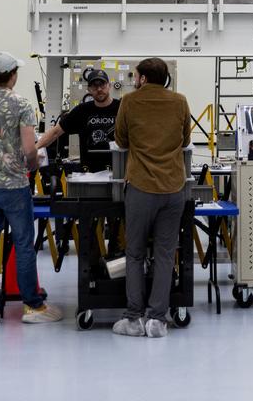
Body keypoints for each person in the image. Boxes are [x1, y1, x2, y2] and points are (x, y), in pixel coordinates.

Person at [0, 52, 62, 326]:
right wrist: (31, 165)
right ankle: (32, 305)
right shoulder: (21, 104)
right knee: (22, 244)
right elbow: (30, 149)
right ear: (12, 75)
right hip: (14, 186)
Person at [112, 57, 191, 339]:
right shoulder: (180, 102)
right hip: (173, 189)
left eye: (135, 76)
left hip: (141, 188)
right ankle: (157, 319)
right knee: (165, 255)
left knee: (134, 254)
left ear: (143, 78)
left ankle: (133, 318)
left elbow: (121, 140)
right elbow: (184, 140)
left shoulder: (129, 102)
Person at [35, 67, 120, 170]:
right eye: (94, 86)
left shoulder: (121, 108)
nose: (99, 89)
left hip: (118, 171)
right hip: (89, 174)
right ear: (88, 89)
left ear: (109, 86)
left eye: (102, 84)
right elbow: (55, 132)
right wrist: (35, 148)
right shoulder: (82, 111)